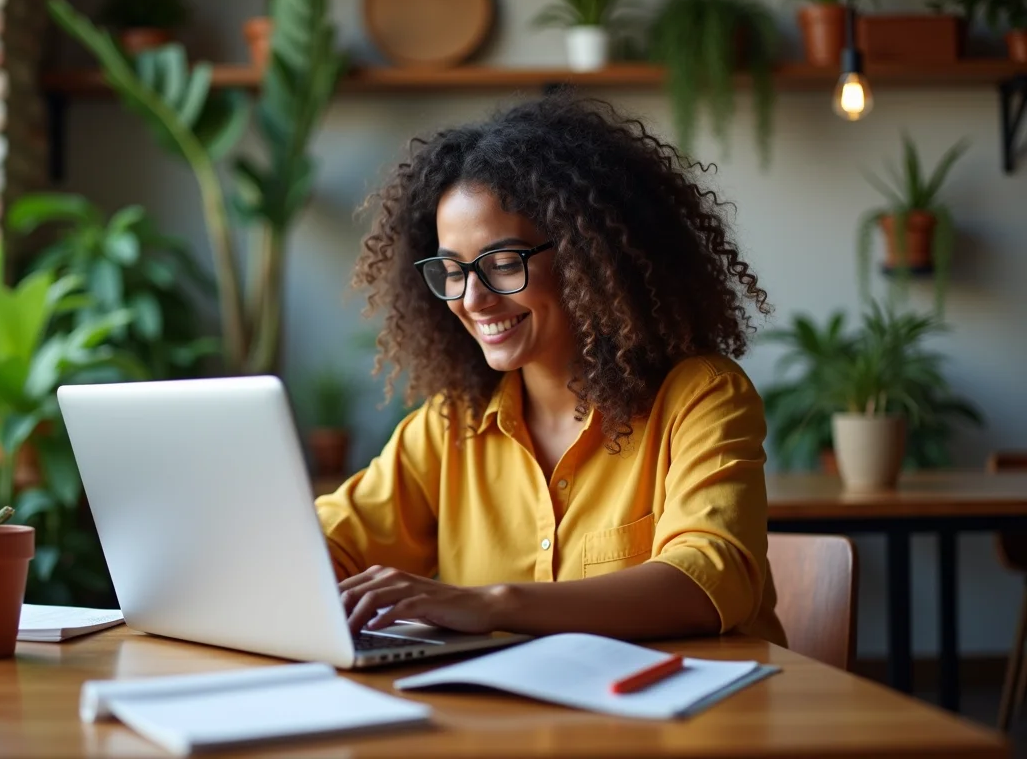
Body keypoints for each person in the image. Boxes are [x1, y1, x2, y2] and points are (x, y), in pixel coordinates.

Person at [316, 92, 784, 647]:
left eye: (502, 263)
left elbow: (710, 582)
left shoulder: (701, 398)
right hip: (511, 720)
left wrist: (493, 602)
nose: (473, 299)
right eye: (452, 271)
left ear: (590, 255)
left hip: (689, 720)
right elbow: (321, 547)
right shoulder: (450, 426)